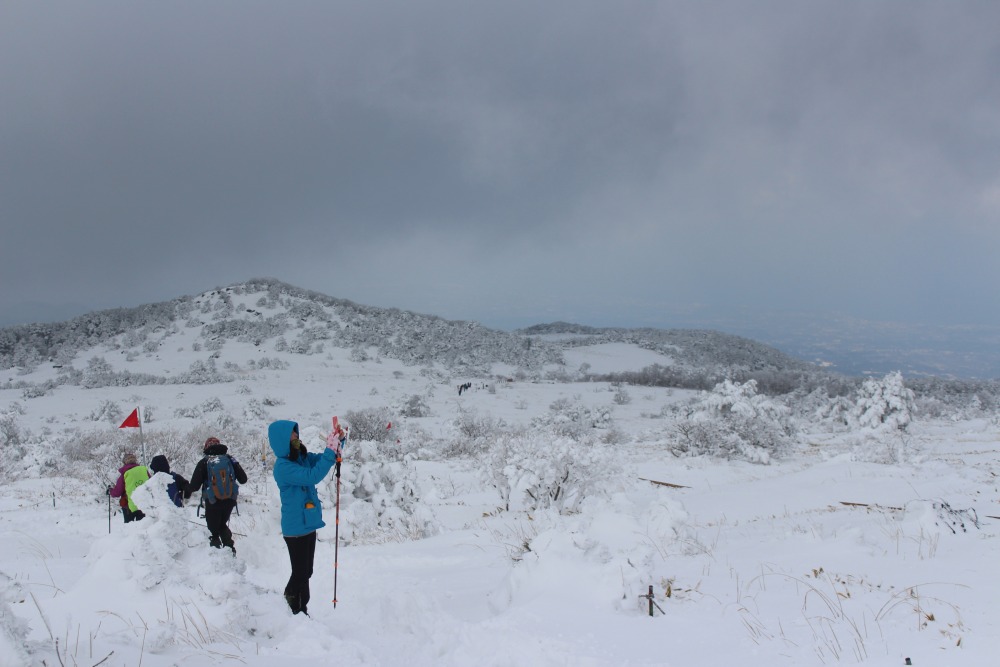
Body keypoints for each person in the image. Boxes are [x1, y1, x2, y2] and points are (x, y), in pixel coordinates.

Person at [268, 419, 341, 616]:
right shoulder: (283, 467)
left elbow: (321, 460)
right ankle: (292, 601)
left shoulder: (300, 458)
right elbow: (312, 476)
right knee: (300, 572)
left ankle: (301, 608)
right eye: (292, 434)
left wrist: (336, 444)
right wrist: (329, 452)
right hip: (295, 528)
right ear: (281, 439)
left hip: (308, 524)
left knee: (306, 571)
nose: (296, 437)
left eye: (296, 433)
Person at [184, 437, 247, 552]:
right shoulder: (230, 459)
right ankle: (230, 551)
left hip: (212, 501)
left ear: (206, 447)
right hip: (230, 499)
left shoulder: (204, 462)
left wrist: (185, 489)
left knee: (213, 530)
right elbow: (243, 479)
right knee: (222, 524)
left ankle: (217, 556)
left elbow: (194, 486)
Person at [109, 453, 148, 523]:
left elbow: (117, 492)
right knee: (144, 526)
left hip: (128, 506)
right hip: (144, 504)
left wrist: (110, 491)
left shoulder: (125, 474)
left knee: (130, 528)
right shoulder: (144, 470)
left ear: (124, 462)